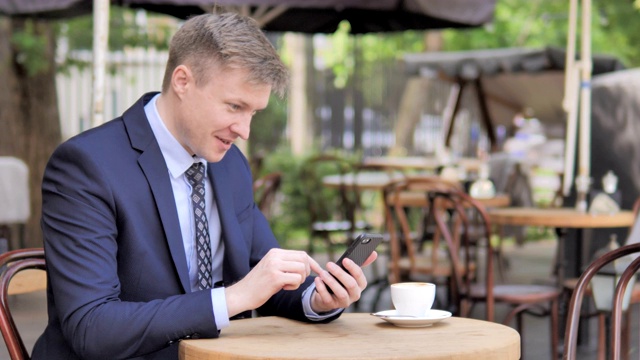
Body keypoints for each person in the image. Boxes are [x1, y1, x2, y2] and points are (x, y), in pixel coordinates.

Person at [32, 12, 376, 360]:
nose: (244, 131)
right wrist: (232, 299)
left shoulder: (230, 164)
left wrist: (317, 299)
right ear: (183, 81)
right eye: (234, 106)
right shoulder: (86, 166)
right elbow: (93, 328)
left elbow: (263, 280)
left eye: (253, 113)